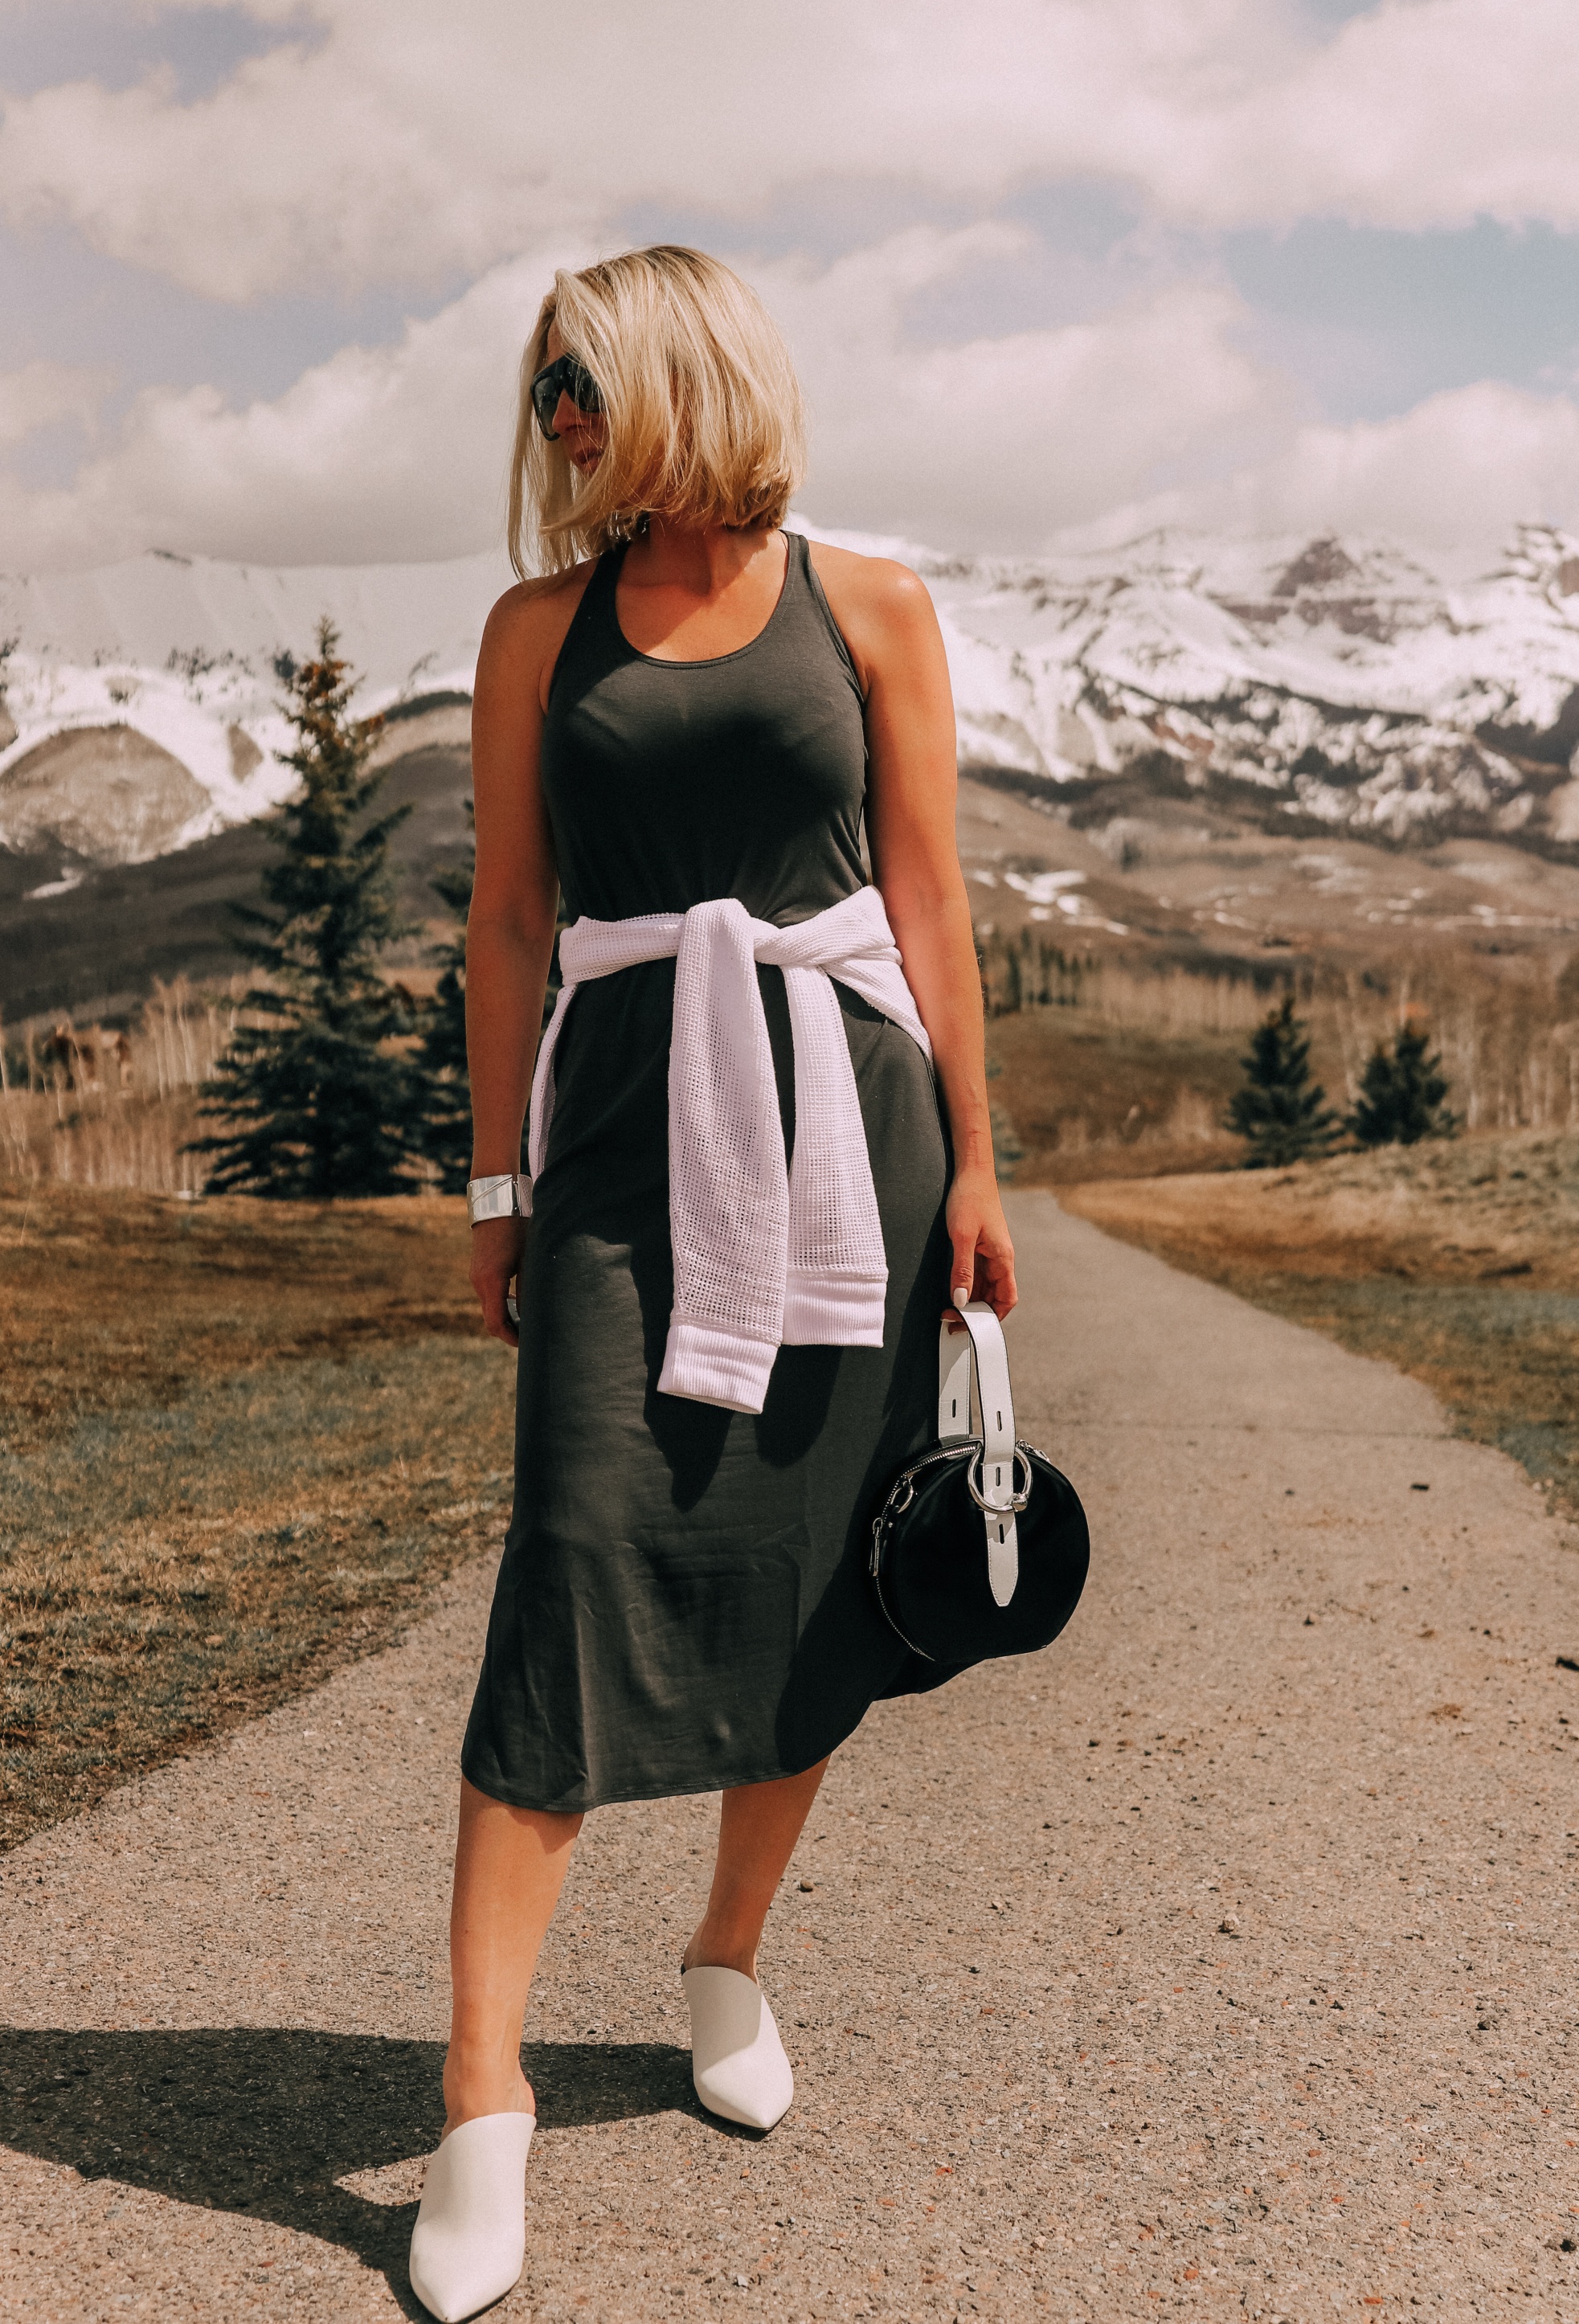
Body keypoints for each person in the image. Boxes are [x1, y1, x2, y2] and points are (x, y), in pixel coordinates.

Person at [408, 244, 1017, 2322]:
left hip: (856, 1127)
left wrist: (985, 1176)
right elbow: (506, 925)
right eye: (545, 393)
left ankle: (726, 1957)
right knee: (573, 1555)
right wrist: (494, 1192)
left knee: (816, 1569)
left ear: (682, 376)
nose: (557, 424)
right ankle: (482, 2101)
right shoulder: (528, 635)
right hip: (613, 1147)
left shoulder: (871, 608)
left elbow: (926, 896)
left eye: (584, 384)